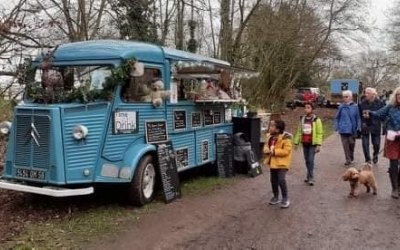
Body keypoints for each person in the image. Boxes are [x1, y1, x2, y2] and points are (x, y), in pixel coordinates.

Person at [367, 86, 400, 199]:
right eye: (398, 95)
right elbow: (379, 114)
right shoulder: (390, 107)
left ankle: (399, 186)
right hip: (392, 139)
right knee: (394, 164)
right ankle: (395, 188)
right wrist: (370, 112)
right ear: (395, 96)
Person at [263, 119, 293, 208]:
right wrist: (267, 151)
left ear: (278, 130)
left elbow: (286, 151)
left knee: (281, 179)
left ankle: (285, 198)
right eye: (270, 125)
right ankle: (276, 196)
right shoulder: (269, 137)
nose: (270, 127)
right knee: (273, 180)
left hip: (283, 163)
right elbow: (265, 146)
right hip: (273, 163)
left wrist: (275, 152)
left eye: (272, 126)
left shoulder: (286, 138)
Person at [293, 102, 324, 185]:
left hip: (312, 144)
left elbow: (319, 133)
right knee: (307, 160)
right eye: (305, 107)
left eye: (308, 107)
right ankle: (308, 175)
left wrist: (318, 144)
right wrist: (296, 142)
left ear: (312, 109)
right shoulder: (302, 119)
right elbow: (299, 131)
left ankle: (311, 177)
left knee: (311, 160)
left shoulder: (316, 120)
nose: (306, 109)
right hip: (304, 143)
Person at [334, 90, 362, 166]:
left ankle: (351, 156)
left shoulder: (355, 107)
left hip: (352, 129)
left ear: (351, 97)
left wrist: (359, 126)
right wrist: (336, 126)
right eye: (343, 97)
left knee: (352, 144)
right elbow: (336, 117)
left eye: (346, 96)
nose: (344, 98)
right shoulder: (341, 107)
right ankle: (348, 159)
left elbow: (358, 118)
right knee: (345, 145)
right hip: (343, 129)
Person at [358, 87, 385, 164]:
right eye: (365, 93)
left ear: (373, 95)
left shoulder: (380, 103)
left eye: (368, 93)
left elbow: (383, 115)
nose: (365, 94)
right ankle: (367, 159)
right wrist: (361, 123)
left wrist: (385, 126)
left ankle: (375, 155)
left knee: (376, 144)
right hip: (365, 125)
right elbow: (359, 115)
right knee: (365, 144)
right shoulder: (362, 104)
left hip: (376, 126)